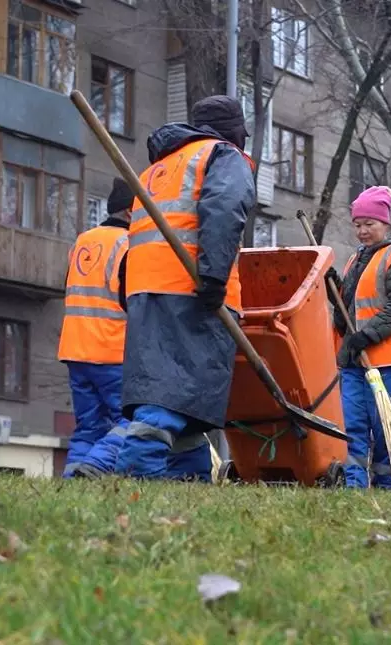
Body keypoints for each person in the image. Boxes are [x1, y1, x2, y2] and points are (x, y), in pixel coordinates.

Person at [113, 95, 255, 482]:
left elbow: (136, 240)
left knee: (186, 393)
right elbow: (224, 211)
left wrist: (129, 292)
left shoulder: (158, 169)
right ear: (234, 131)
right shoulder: (222, 157)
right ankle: (137, 471)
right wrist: (214, 277)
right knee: (175, 388)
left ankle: (187, 481)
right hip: (191, 289)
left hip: (147, 291)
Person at [333, 185, 391, 489]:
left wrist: (366, 335)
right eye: (358, 225)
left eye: (369, 224)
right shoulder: (355, 261)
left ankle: (390, 488)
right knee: (353, 427)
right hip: (356, 362)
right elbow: (346, 311)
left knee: (388, 431)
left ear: (385, 223)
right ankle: (353, 488)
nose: (362, 231)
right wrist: (334, 288)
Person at [58, 178, 132, 479]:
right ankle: (98, 465)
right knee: (132, 420)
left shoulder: (82, 241)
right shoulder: (130, 245)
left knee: (88, 426)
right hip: (113, 350)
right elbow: (132, 300)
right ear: (130, 212)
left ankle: (73, 481)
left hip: (76, 350)